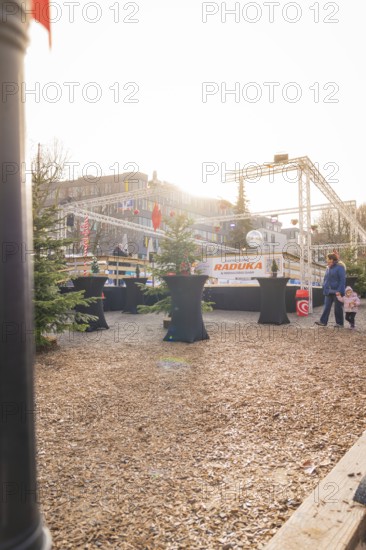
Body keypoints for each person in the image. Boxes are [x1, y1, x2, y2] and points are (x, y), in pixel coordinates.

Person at [315, 253, 346, 327]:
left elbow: (342, 280)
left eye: (328, 259)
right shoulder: (328, 267)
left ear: (332, 259)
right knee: (326, 307)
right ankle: (323, 321)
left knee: (337, 308)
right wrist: (324, 286)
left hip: (337, 292)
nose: (327, 260)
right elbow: (326, 278)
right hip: (328, 291)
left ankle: (339, 323)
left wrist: (339, 291)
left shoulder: (340, 267)